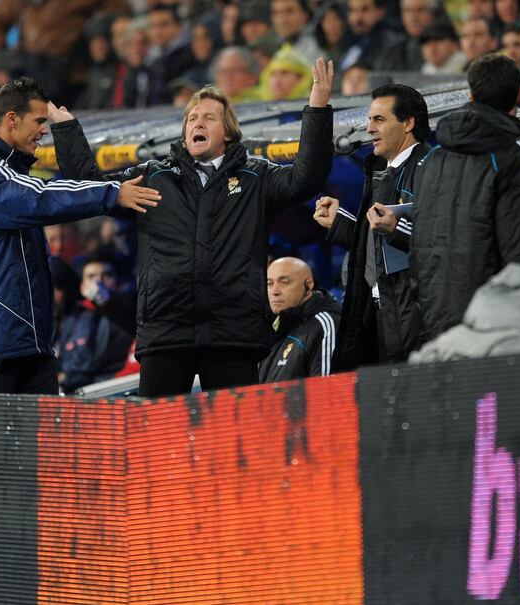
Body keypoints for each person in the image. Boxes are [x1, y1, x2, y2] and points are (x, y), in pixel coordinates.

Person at [51, 59, 335, 397]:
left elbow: (308, 177)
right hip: (166, 332)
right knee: (159, 438)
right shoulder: (155, 177)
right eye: (192, 118)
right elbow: (92, 187)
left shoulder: (256, 177)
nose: (197, 122)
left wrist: (317, 107)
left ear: (227, 132)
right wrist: (67, 130)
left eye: (209, 117)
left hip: (233, 334)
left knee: (231, 440)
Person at [0, 77, 154, 394]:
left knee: (41, 445)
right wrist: (111, 193)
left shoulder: (11, 170)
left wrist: (65, 127)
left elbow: (60, 187)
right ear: (12, 119)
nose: (44, 129)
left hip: (28, 347)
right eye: (39, 121)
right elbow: (39, 196)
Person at [410, 53, 520, 345]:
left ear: (471, 96)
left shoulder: (433, 158)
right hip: (499, 327)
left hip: (437, 323)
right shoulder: (518, 153)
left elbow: (421, 245)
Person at [314, 83, 431, 370]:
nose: (369, 129)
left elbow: (443, 241)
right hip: (379, 312)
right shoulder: (381, 170)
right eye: (369, 120)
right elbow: (376, 244)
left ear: (408, 123)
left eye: (379, 119)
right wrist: (340, 223)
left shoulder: (432, 167)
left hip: (414, 315)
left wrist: (397, 230)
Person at [51, 257, 132, 393]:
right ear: (81, 285)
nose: (98, 282)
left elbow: (81, 368)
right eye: (91, 276)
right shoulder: (71, 317)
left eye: (106, 275)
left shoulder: (128, 313)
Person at [259, 257, 341, 382]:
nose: (275, 291)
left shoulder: (324, 324)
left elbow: (326, 391)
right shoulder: (272, 329)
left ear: (308, 287)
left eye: (284, 282)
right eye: (270, 284)